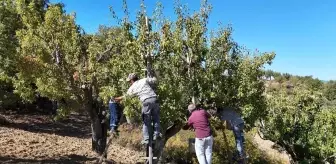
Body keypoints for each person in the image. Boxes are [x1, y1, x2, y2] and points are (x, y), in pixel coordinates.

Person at [114, 73, 160, 144]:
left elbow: (126, 96)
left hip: (146, 101)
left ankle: (146, 139)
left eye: (129, 81)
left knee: (146, 120)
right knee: (156, 118)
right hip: (155, 99)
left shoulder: (133, 87)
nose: (129, 83)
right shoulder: (144, 80)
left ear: (132, 80)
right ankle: (156, 134)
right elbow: (154, 80)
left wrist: (118, 98)